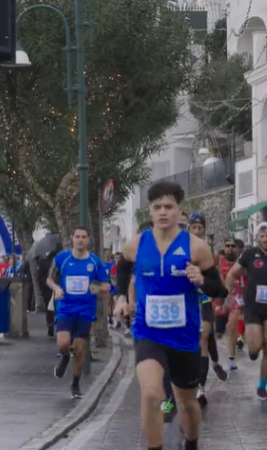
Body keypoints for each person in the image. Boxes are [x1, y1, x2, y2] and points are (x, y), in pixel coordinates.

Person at [122, 181, 228, 450]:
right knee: (151, 394)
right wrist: (120, 298)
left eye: (169, 206)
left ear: (180, 210)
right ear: (150, 210)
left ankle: (191, 443)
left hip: (184, 336)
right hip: (148, 332)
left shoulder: (196, 247)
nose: (163, 212)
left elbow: (220, 289)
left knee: (187, 403)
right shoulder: (137, 245)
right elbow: (122, 269)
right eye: (157, 207)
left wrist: (201, 279)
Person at [225, 222, 267, 401]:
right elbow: (231, 274)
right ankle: (253, 350)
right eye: (262, 236)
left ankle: (262, 387)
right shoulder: (249, 254)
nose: (265, 239)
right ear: (257, 237)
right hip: (253, 305)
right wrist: (228, 294)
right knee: (254, 347)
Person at [46, 227, 110, 399]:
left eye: (83, 237)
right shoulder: (62, 258)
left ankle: (75, 383)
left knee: (80, 350)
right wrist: (57, 288)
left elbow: (106, 286)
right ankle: (65, 357)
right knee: (63, 343)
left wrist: (95, 288)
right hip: (65, 307)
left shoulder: (94, 262)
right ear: (72, 239)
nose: (80, 240)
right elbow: (49, 278)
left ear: (88, 240)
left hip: (85, 310)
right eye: (77, 237)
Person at [187, 212, 228, 406]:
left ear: (204, 229)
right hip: (186, 302)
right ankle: (213, 362)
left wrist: (217, 296)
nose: (196, 231)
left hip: (203, 300)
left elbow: (217, 280)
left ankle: (200, 387)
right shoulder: (181, 247)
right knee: (198, 342)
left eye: (199, 228)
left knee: (202, 339)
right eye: (193, 227)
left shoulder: (208, 251)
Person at [216, 237, 245, 370]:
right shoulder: (218, 260)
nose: (230, 248)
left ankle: (231, 358)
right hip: (220, 299)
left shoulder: (242, 262)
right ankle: (213, 352)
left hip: (236, 297)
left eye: (233, 245)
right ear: (224, 246)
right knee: (218, 333)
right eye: (227, 245)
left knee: (232, 325)